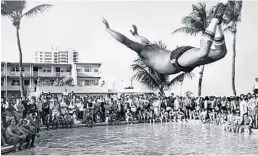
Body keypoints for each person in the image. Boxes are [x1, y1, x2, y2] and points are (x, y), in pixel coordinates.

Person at [102, 1, 228, 75]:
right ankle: (218, 23)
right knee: (221, 52)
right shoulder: (150, 47)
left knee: (203, 52)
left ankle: (215, 19)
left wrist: (108, 29)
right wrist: (136, 35)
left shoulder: (144, 51)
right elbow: (143, 40)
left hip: (176, 59)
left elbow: (125, 41)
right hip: (182, 60)